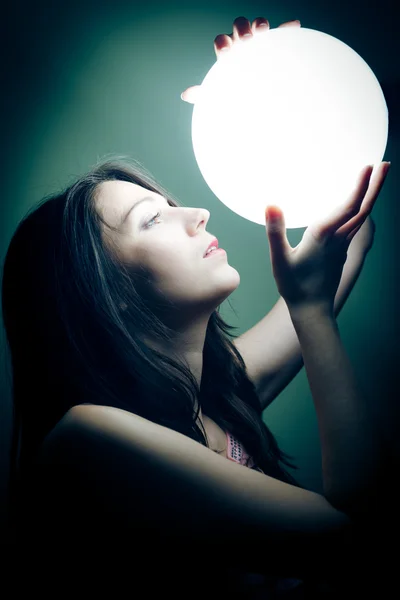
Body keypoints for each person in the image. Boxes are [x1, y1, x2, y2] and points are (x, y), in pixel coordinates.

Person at [1, 15, 391, 600]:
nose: (196, 213)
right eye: (152, 219)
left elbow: (349, 226)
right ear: (105, 293)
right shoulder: (89, 441)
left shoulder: (215, 396)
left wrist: (279, 90)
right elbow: (363, 536)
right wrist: (308, 308)